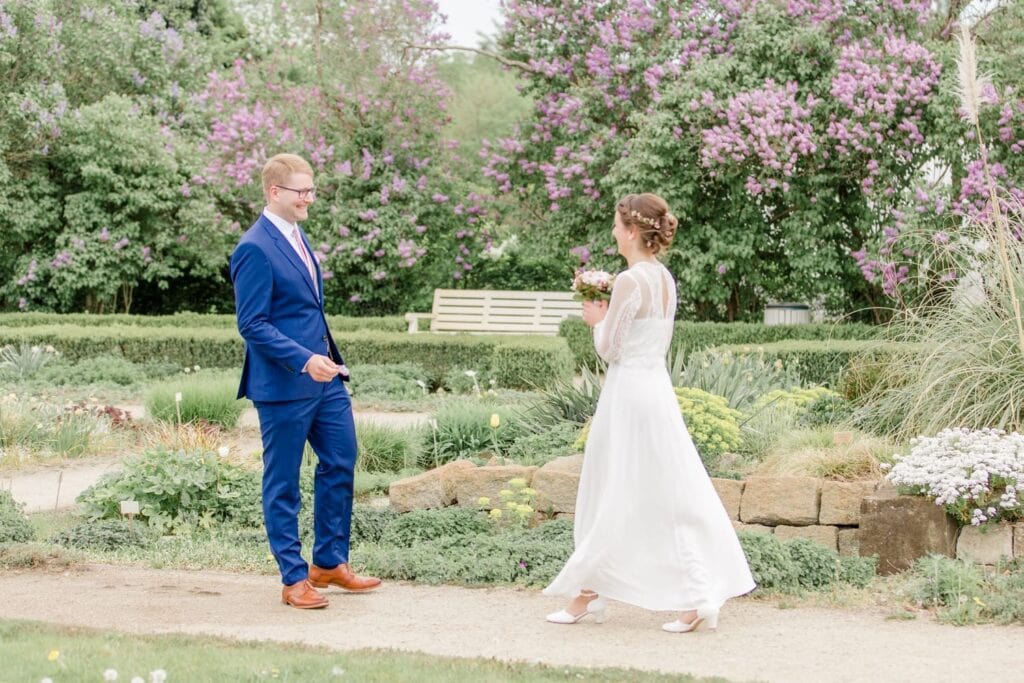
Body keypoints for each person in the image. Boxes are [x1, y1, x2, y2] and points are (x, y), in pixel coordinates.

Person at [543, 193, 755, 632]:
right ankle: (669, 593)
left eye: (618, 225)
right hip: (656, 390)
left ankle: (594, 592)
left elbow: (610, 350)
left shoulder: (629, 281)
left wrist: (595, 320)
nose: (614, 232)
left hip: (627, 396)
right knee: (669, 489)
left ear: (634, 231)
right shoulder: (664, 279)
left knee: (611, 486)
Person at [230, 153, 381, 609]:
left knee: (341, 460)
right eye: (302, 192)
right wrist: (303, 360)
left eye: (312, 190)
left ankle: (330, 563)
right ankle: (294, 578)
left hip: (327, 379)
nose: (309, 199)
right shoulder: (253, 247)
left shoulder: (297, 235)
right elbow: (252, 324)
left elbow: (306, 310)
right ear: (275, 192)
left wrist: (326, 360)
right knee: (283, 482)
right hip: (283, 386)